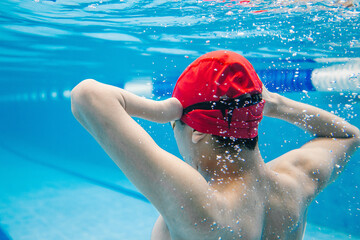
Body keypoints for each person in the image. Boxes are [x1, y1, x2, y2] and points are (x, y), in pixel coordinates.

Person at [71, 51, 360, 240]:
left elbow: (87, 96)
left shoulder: (201, 207)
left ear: (197, 132)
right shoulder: (295, 182)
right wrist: (277, 104)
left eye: (175, 123)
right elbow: (348, 135)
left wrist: (162, 110)